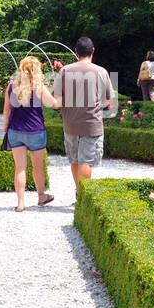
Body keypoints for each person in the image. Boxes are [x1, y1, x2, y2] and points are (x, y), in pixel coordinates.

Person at [53, 36, 112, 195]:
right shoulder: (101, 72)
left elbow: (56, 100)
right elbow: (108, 99)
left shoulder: (65, 71)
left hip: (70, 123)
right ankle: (82, 196)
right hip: (91, 124)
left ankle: (79, 191)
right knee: (86, 161)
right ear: (93, 51)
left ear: (76, 51)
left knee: (75, 160)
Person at [2, 56, 61, 212]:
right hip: (36, 132)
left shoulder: (11, 86)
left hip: (15, 131)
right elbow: (54, 104)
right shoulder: (39, 87)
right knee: (38, 167)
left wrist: (5, 127)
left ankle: (21, 203)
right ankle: (41, 196)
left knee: (20, 168)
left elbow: (6, 109)